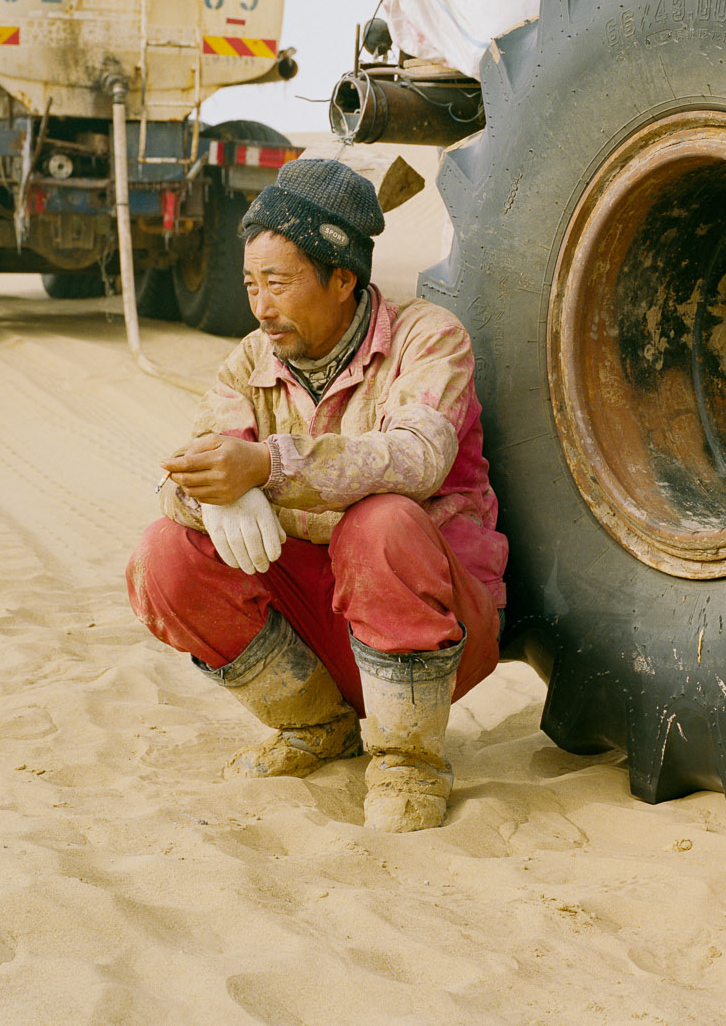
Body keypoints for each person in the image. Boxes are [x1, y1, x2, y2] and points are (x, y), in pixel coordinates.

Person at [124, 157, 506, 833]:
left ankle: (409, 763)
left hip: (436, 623)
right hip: (325, 627)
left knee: (381, 522)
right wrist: (213, 495)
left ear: (342, 280)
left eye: (277, 282)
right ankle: (317, 727)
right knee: (165, 555)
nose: (261, 307)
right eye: (250, 284)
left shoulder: (430, 339)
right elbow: (186, 471)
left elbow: (417, 459)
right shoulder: (248, 362)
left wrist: (267, 466)